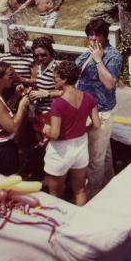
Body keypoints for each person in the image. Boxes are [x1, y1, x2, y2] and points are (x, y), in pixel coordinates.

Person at [76, 18, 122, 199]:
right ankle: (110, 186)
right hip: (85, 107)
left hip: (101, 110)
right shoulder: (88, 52)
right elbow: (76, 69)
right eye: (90, 34)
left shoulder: (112, 55)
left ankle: (93, 195)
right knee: (104, 152)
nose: (92, 38)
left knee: (95, 159)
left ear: (105, 35)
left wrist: (98, 60)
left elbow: (109, 83)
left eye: (96, 34)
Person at [43, 61, 101, 206]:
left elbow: (55, 133)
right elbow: (97, 125)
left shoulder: (58, 103)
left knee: (55, 194)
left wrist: (46, 130)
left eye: (55, 77)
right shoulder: (89, 98)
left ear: (65, 79)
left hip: (60, 151)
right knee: (80, 190)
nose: (53, 80)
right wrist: (82, 130)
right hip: (81, 146)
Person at [27, 36, 59, 143]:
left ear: (50, 52)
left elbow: (65, 92)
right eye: (36, 56)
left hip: (51, 113)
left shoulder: (56, 68)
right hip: (38, 112)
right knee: (40, 143)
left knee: (50, 144)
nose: (40, 58)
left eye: (43, 55)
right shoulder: (37, 67)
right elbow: (36, 84)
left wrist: (46, 94)